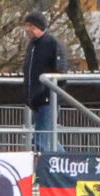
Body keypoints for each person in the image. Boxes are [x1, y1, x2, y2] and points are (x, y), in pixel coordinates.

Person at [22, 12, 68, 153]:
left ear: (38, 26)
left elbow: (61, 73)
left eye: (30, 25)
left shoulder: (52, 44)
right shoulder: (32, 45)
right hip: (37, 100)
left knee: (42, 139)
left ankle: (63, 164)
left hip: (47, 101)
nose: (26, 29)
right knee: (46, 139)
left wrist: (48, 94)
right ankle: (67, 163)